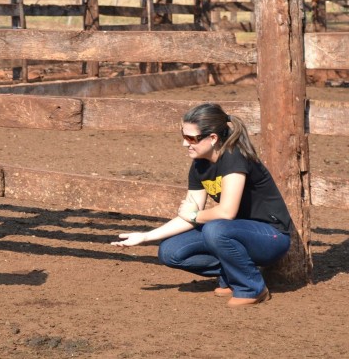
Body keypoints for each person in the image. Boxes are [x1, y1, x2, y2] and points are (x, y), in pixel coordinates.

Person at [111, 103, 292, 307]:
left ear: (213, 138)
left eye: (191, 138)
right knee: (170, 251)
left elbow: (225, 212)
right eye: (183, 136)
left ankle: (252, 287)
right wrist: (145, 237)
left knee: (215, 229)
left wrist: (195, 215)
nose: (184, 144)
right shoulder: (200, 164)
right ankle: (233, 274)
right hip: (233, 232)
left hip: (271, 237)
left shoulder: (234, 158)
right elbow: (188, 215)